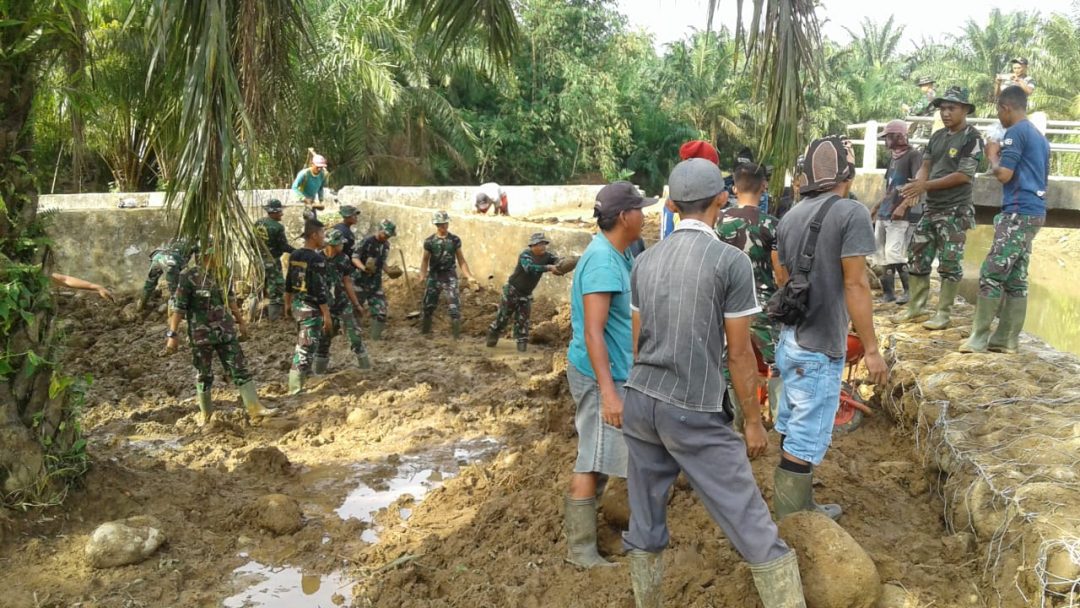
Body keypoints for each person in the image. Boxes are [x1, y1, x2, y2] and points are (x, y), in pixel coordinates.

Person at [622, 158, 804, 608]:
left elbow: (638, 344)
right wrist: (753, 421)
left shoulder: (645, 261)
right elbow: (740, 353)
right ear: (721, 200)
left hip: (641, 402)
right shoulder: (730, 261)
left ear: (671, 204)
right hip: (692, 404)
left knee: (645, 521)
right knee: (748, 518)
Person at [773, 136, 888, 521]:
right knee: (805, 436)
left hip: (791, 340)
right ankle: (796, 521)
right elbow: (856, 284)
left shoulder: (790, 216)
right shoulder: (850, 213)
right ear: (848, 174)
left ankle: (799, 506)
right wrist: (871, 349)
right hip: (820, 343)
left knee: (792, 426)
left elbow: (783, 279)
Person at [563, 181, 655, 569]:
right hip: (600, 375)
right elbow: (593, 331)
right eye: (640, 209)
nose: (645, 215)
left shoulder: (618, 253)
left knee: (599, 455)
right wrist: (609, 393)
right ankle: (580, 549)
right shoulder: (602, 260)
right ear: (624, 217)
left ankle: (590, 541)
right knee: (591, 458)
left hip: (614, 371)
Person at [961, 88, 1049, 354]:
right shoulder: (1039, 136)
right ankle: (1007, 339)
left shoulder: (1016, 133)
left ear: (1005, 108)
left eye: (999, 111)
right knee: (1016, 277)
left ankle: (978, 338)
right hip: (1035, 211)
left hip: (1017, 211)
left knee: (991, 273)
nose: (999, 117)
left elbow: (1004, 175)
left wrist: (992, 153)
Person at [897, 87, 984, 330]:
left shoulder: (972, 138)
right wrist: (918, 184)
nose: (946, 113)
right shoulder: (937, 137)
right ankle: (916, 308)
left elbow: (964, 175)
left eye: (951, 108)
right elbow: (926, 164)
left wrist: (924, 185)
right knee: (917, 255)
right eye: (943, 108)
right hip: (932, 207)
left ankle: (943, 313)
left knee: (949, 262)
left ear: (965, 110)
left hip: (955, 209)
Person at [163, 240, 275, 426]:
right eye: (219, 251)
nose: (222, 255)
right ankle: (206, 414)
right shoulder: (189, 276)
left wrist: (241, 322)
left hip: (225, 331)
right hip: (201, 335)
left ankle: (255, 408)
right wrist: (172, 335)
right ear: (207, 254)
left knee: (239, 367)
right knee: (204, 373)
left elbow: (230, 301)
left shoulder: (223, 273)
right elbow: (179, 308)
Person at [715, 162, 787, 418]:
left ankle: (737, 422)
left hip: (728, 308)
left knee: (727, 364)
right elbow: (780, 273)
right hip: (765, 306)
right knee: (778, 363)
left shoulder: (718, 222)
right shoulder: (772, 225)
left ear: (734, 187)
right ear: (764, 186)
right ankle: (781, 420)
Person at [869, 120, 924, 305]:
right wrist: (877, 207)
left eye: (889, 137)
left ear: (899, 136)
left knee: (894, 252)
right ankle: (888, 292)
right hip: (887, 211)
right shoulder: (893, 158)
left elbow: (918, 185)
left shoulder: (913, 155)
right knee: (880, 252)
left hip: (903, 213)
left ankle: (908, 291)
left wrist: (903, 206)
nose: (886, 141)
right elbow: (889, 187)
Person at [485, 232, 563, 352]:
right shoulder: (525, 255)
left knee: (523, 320)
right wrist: (548, 268)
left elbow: (558, 261)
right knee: (503, 317)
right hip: (512, 291)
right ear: (532, 246)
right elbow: (529, 268)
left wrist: (562, 264)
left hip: (526, 294)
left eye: (544, 244)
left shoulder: (547, 256)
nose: (543, 247)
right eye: (539, 244)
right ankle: (494, 332)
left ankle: (522, 343)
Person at [284, 220, 333, 395]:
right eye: (322, 234)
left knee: (303, 344)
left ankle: (297, 385)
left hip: (298, 305)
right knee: (305, 348)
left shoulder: (295, 255)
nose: (323, 237)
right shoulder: (317, 259)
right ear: (314, 235)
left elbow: (289, 281)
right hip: (311, 308)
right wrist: (326, 314)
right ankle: (295, 389)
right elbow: (319, 289)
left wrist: (288, 303)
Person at [316, 229, 371, 372]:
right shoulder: (316, 259)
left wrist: (356, 304)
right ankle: (319, 371)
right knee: (324, 338)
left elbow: (347, 282)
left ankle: (366, 367)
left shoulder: (344, 259)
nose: (343, 246)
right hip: (325, 306)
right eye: (340, 244)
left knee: (355, 335)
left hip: (343, 304)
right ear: (332, 244)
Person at [419, 210, 475, 339]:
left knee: (454, 307)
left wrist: (469, 276)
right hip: (434, 276)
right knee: (428, 306)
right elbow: (425, 260)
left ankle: (456, 338)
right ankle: (424, 334)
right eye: (440, 224)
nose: (443, 227)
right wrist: (422, 275)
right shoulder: (430, 241)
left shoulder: (454, 240)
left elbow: (461, 259)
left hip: (449, 276)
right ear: (436, 225)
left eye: (445, 224)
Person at [353, 219, 397, 341]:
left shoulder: (386, 245)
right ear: (379, 230)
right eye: (385, 234)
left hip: (375, 284)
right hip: (359, 282)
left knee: (381, 311)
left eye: (389, 236)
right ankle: (353, 338)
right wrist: (364, 268)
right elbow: (354, 257)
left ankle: (375, 340)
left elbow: (381, 262)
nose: (386, 237)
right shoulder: (367, 241)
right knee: (355, 311)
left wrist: (389, 271)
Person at [253, 199, 294, 321]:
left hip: (258, 259)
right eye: (280, 212)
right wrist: (297, 251)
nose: (282, 214)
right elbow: (283, 246)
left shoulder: (258, 223)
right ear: (274, 212)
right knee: (276, 287)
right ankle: (275, 318)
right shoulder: (277, 227)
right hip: (272, 261)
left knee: (260, 286)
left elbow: (252, 242)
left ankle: (252, 314)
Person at [137, 237, 197, 311]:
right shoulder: (194, 243)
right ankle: (172, 313)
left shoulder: (175, 238)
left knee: (149, 283)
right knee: (174, 291)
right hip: (172, 261)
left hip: (158, 257)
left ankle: (141, 305)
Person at [292, 153, 331, 220]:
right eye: (317, 167)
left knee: (313, 221)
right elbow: (294, 187)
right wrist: (303, 198)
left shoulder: (323, 174)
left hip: (311, 201)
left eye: (321, 167)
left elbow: (320, 188)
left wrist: (321, 200)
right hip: (300, 201)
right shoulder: (304, 174)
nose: (319, 169)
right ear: (312, 164)